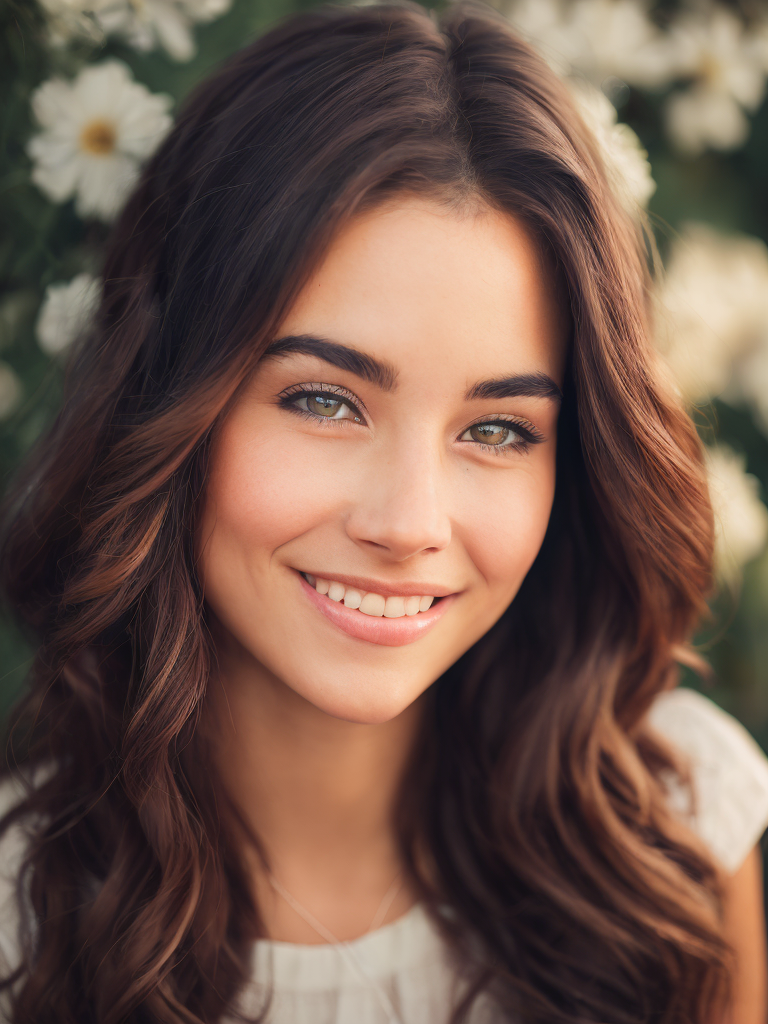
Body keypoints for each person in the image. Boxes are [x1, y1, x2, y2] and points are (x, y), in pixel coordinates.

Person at [1, 2, 768, 1022]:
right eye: (324, 400)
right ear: (170, 398)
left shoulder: (671, 833)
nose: (409, 523)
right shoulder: (22, 910)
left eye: (497, 429)